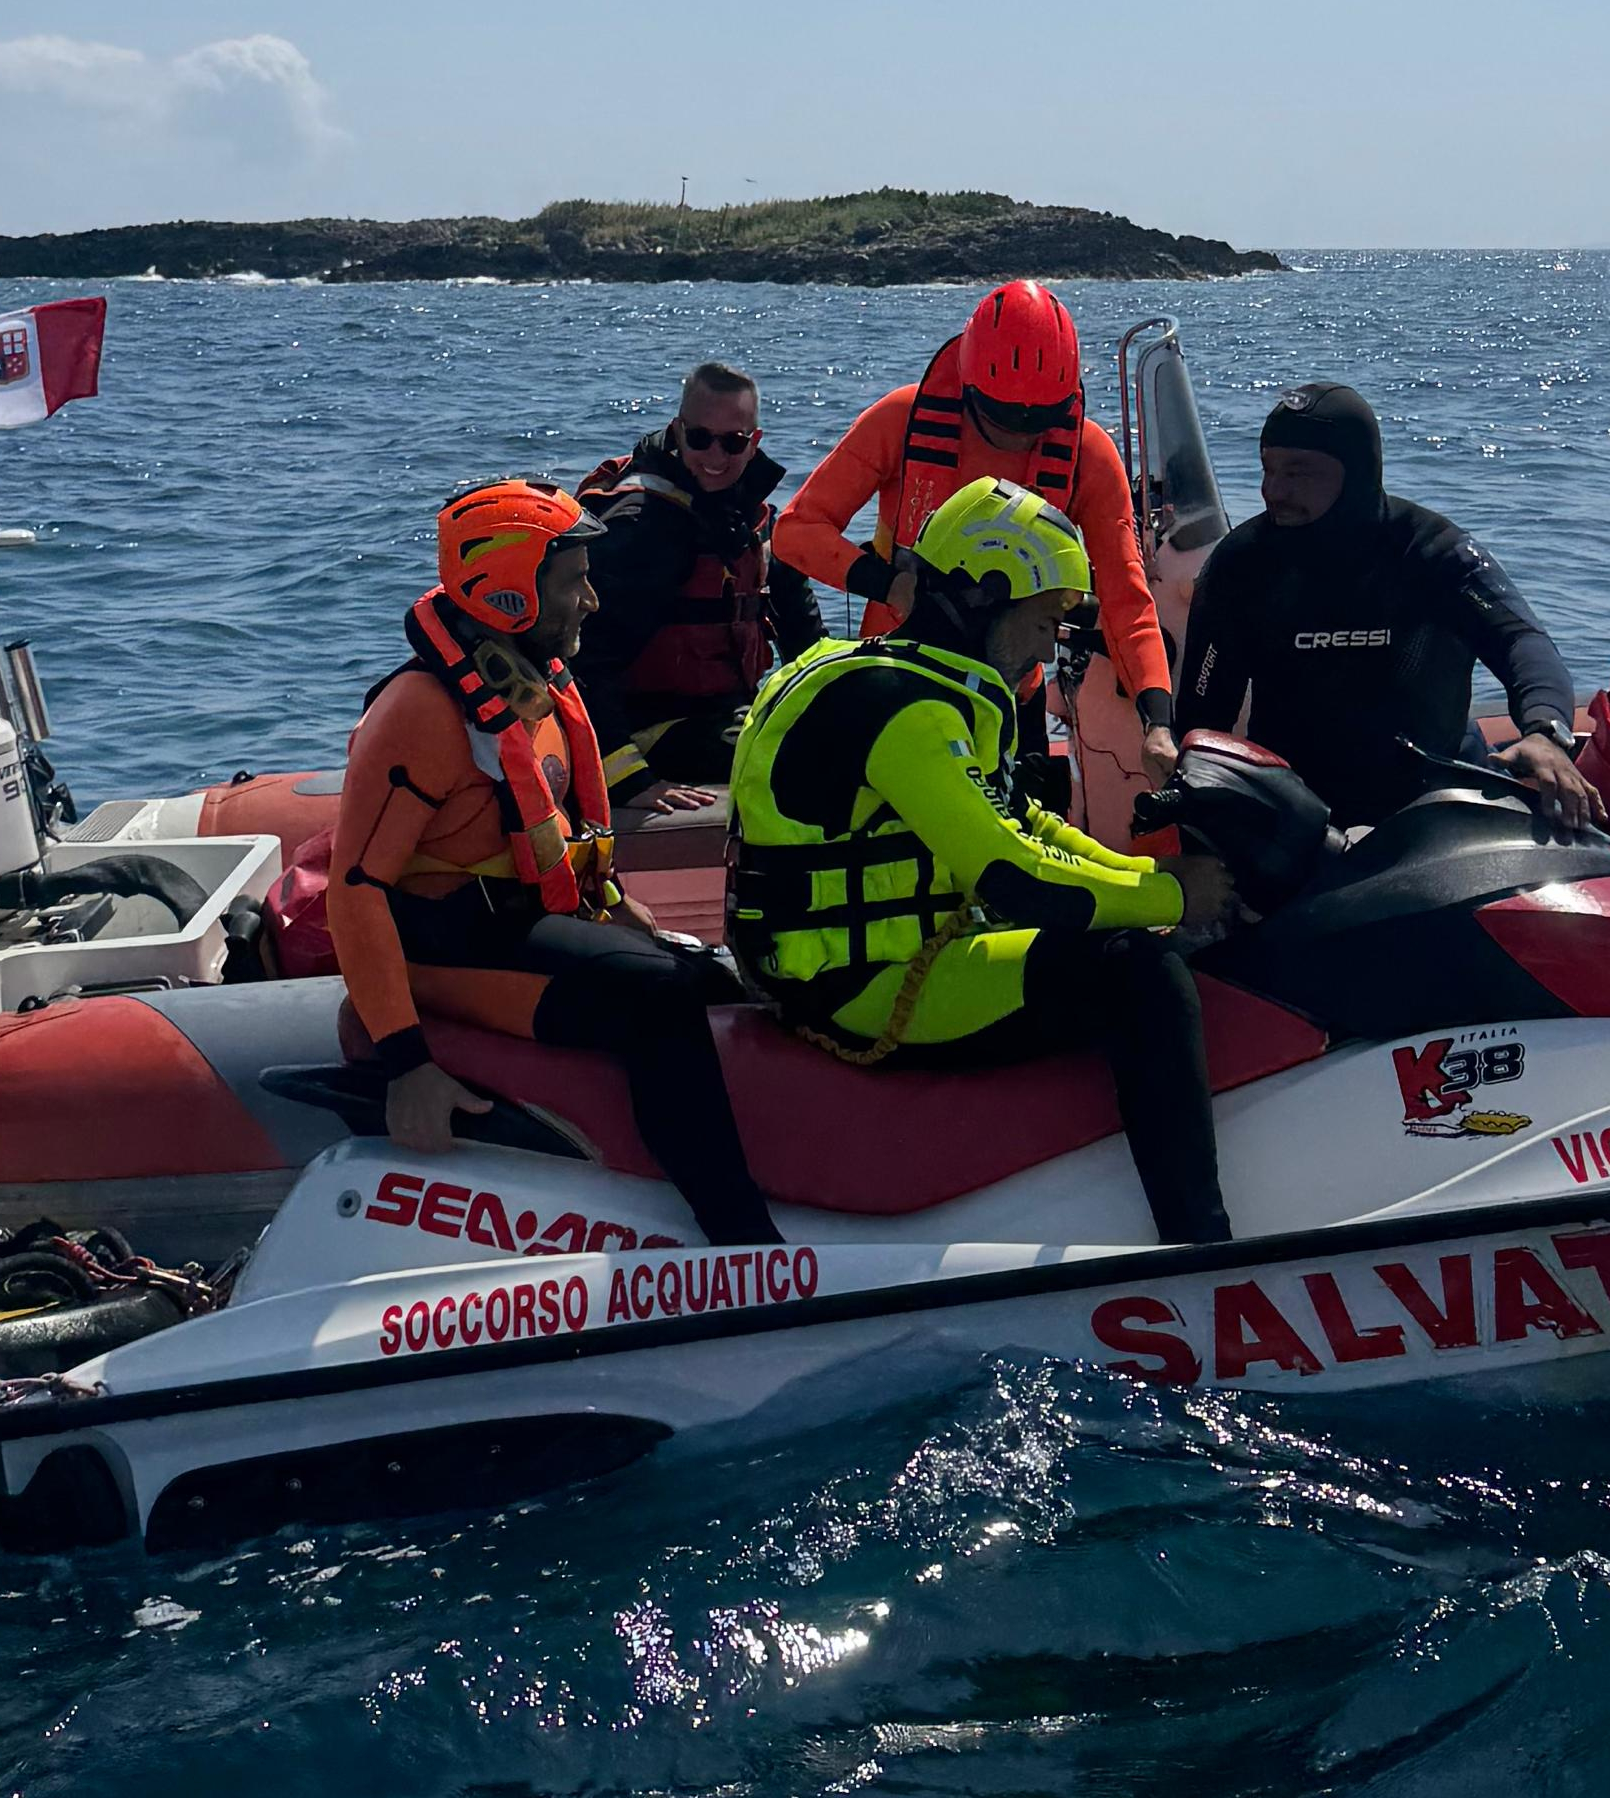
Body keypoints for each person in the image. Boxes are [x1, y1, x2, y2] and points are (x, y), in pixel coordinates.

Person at [727, 477, 1240, 1246]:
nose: (1045, 646)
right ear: (980, 597)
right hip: (859, 988)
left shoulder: (896, 675)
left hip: (861, 959)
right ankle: (1200, 1243)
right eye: (1040, 620)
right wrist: (1168, 904)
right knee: (1142, 971)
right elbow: (1013, 876)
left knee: (1147, 930)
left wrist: (1153, 877)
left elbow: (1027, 822)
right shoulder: (910, 714)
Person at [331, 479, 777, 1244]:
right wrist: (407, 1063)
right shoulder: (420, 715)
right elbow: (356, 892)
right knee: (657, 998)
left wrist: (624, 915)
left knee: (714, 974)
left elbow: (551, 840)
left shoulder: (533, 686)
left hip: (522, 924)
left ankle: (776, 1174)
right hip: (446, 953)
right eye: (575, 582)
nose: (593, 602)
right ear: (510, 593)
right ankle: (738, 1234)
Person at [770, 280, 1179, 791]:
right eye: (1002, 418)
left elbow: (1125, 594)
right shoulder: (901, 418)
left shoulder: (1088, 454)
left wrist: (1157, 722)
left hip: (1012, 696)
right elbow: (795, 532)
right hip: (898, 683)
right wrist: (887, 584)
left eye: (1042, 420)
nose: (1021, 435)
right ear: (967, 387)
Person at [1177, 380, 1595, 829]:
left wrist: (1546, 731)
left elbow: (1521, 641)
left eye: (1297, 473)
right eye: (1268, 468)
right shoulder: (1242, 566)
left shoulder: (1431, 552)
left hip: (1441, 802)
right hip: (1303, 822)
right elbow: (1203, 721)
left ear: (1355, 472)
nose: (1273, 490)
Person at [569, 361, 828, 796]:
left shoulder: (755, 521)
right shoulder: (642, 527)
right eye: (700, 438)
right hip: (644, 728)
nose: (715, 456)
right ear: (678, 429)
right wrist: (630, 782)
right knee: (800, 757)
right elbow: (584, 662)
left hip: (724, 714)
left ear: (754, 443)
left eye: (733, 442)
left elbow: (807, 644)